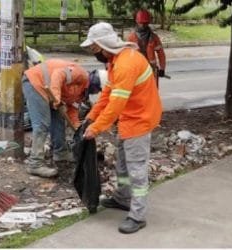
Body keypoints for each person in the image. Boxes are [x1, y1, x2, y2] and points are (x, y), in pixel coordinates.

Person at [80, 22, 162, 234]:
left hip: (139, 121)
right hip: (128, 120)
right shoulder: (115, 61)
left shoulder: (126, 64)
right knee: (123, 167)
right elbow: (107, 95)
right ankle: (123, 197)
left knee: (137, 171)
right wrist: (90, 117)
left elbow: (115, 104)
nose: (93, 52)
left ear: (104, 45)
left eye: (94, 48)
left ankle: (138, 214)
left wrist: (96, 128)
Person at [22, 59, 101, 178]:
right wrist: (57, 98)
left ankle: (61, 153)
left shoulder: (82, 92)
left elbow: (72, 110)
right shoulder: (81, 75)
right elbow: (58, 74)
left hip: (51, 91)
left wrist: (78, 129)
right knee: (42, 124)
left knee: (58, 120)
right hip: (36, 83)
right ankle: (35, 163)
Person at [127, 9, 166, 87]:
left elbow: (161, 54)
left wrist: (162, 68)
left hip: (151, 69)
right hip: (137, 70)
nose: (144, 25)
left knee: (152, 91)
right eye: (142, 23)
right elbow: (126, 56)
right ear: (137, 22)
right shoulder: (131, 37)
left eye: (146, 23)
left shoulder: (154, 37)